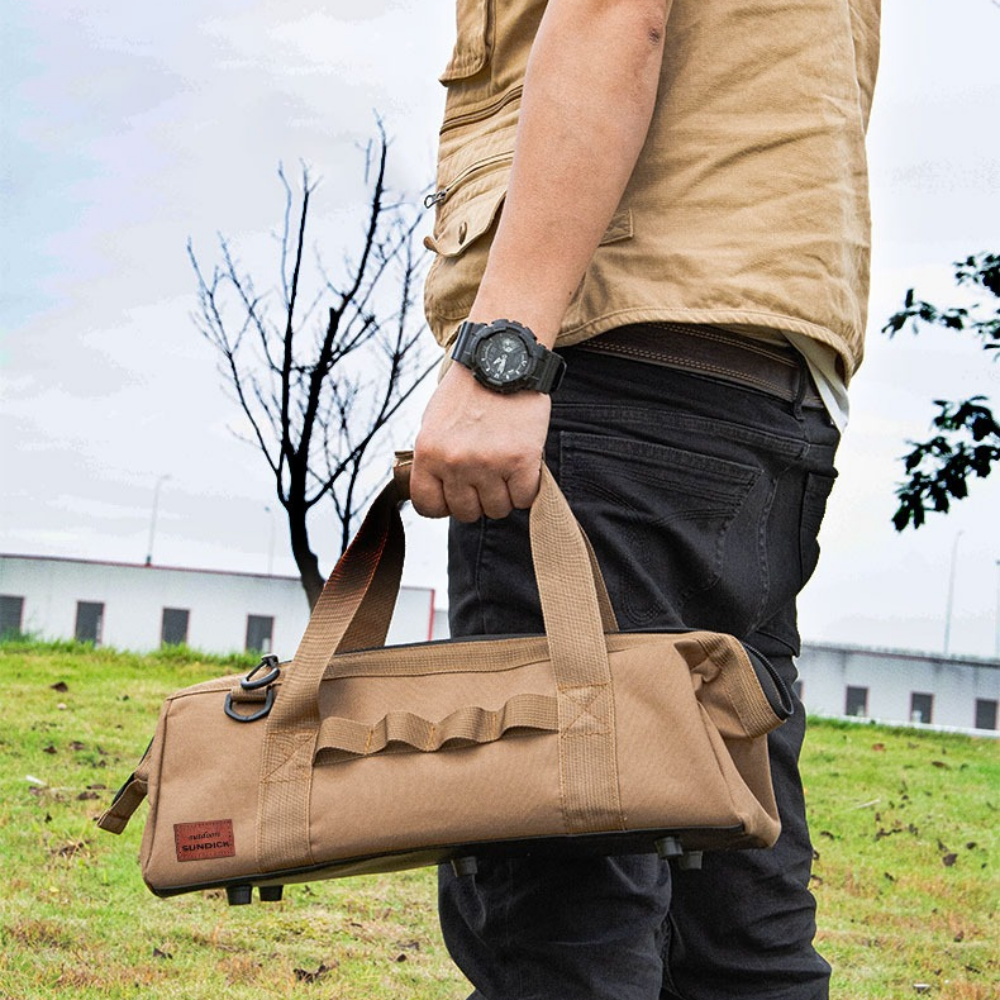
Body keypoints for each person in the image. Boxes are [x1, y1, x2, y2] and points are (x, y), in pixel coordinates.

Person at [410, 0, 881, 996]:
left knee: (564, 913)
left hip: (613, 369)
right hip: (767, 390)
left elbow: (612, 15)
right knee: (733, 923)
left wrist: (503, 351)